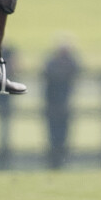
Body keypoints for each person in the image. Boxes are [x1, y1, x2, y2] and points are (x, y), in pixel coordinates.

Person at [41, 37, 82, 168]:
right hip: (54, 106)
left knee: (63, 135)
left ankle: (60, 160)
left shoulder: (57, 63)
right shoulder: (53, 63)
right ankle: (55, 161)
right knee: (53, 135)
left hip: (62, 106)